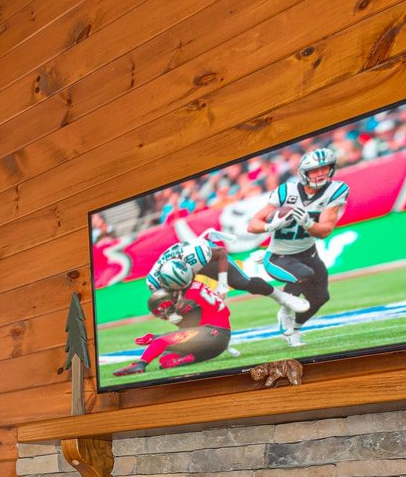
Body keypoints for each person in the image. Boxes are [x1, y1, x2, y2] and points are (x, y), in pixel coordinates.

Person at [115, 234, 306, 377]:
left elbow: (221, 253)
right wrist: (173, 317)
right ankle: (195, 349)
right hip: (214, 330)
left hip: (208, 261)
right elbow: (168, 309)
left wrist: (223, 282)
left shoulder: (196, 256)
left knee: (241, 282)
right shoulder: (155, 283)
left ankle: (282, 297)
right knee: (176, 331)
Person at [247, 145, 348, 347]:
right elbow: (252, 225)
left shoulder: (336, 190)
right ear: (304, 173)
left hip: (308, 253)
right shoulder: (287, 191)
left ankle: (294, 329)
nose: (320, 174)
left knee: (320, 297)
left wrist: (308, 223)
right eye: (314, 170)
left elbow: (325, 230)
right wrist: (271, 225)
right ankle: (285, 312)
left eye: (324, 168)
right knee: (304, 273)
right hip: (278, 257)